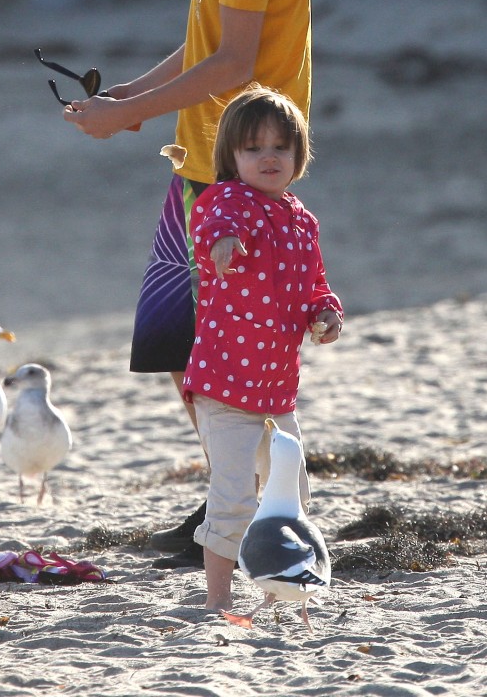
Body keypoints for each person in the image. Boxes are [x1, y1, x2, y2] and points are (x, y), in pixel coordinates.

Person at [64, 0, 312, 556]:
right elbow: (204, 43)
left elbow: (235, 65)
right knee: (185, 351)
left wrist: (132, 114)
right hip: (200, 159)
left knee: (232, 358)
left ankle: (253, 515)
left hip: (242, 169)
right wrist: (128, 104)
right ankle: (226, 503)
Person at [181, 85, 342, 610]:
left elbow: (316, 283)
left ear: (300, 155)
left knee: (289, 496)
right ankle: (218, 599)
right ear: (231, 156)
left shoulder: (302, 220)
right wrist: (224, 242)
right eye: (253, 148)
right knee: (232, 498)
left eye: (281, 147)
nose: (269, 157)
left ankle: (277, 591)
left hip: (277, 391)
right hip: (225, 387)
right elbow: (211, 226)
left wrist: (325, 313)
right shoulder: (228, 200)